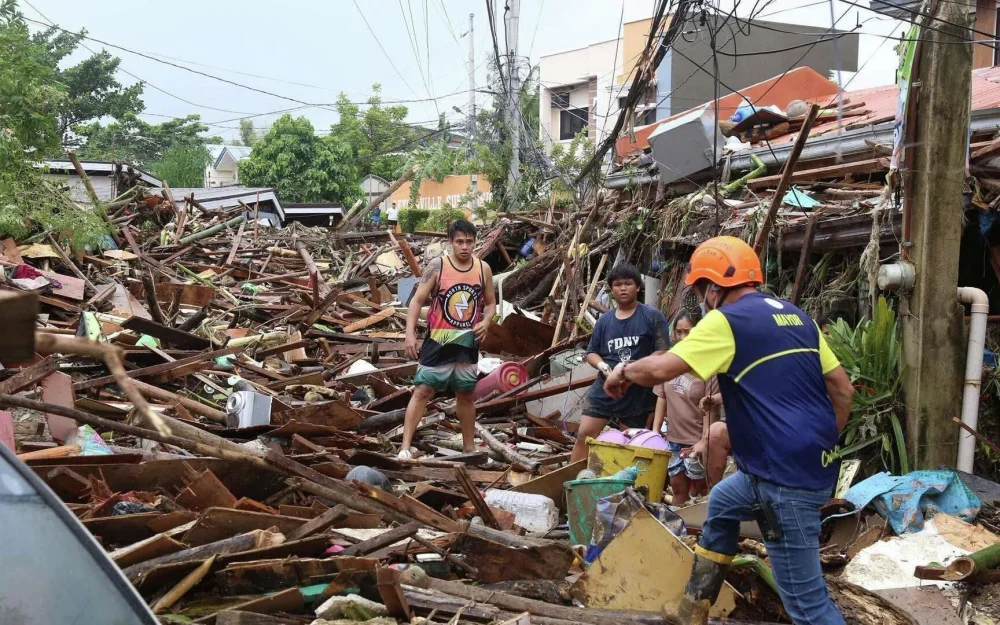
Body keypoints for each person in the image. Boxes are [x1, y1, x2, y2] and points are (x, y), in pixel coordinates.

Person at [603, 236, 855, 625]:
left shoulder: (727, 320)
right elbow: (843, 390)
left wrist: (620, 370)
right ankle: (694, 607)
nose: (702, 300)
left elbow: (661, 369)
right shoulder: (797, 317)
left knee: (807, 605)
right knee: (721, 504)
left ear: (714, 288)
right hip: (790, 467)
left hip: (783, 478)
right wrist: (817, 446)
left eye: (701, 291)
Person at [399, 220, 496, 459]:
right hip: (438, 340)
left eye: (469, 242)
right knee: (422, 390)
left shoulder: (483, 269)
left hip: (467, 342)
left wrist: (486, 321)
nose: (465, 247)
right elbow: (416, 300)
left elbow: (491, 303)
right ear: (450, 242)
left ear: (475, 242)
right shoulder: (438, 266)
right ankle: (404, 447)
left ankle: (468, 447)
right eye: (460, 242)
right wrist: (410, 333)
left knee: (465, 395)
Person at [571, 263, 670, 463]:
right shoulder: (605, 321)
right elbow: (592, 353)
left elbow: (663, 352)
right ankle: (571, 480)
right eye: (617, 284)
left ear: (638, 287)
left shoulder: (652, 317)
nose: (623, 288)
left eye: (628, 283)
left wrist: (634, 371)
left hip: (638, 392)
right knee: (584, 435)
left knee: (633, 445)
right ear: (611, 289)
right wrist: (603, 367)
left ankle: (629, 487)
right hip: (605, 387)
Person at [651, 311, 720, 507]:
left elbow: (710, 409)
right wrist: (656, 431)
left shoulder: (709, 366)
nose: (682, 338)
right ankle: (678, 529)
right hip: (673, 439)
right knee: (678, 486)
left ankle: (702, 530)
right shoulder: (669, 362)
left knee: (702, 488)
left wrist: (704, 442)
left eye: (688, 332)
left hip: (698, 440)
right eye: (678, 332)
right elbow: (661, 397)